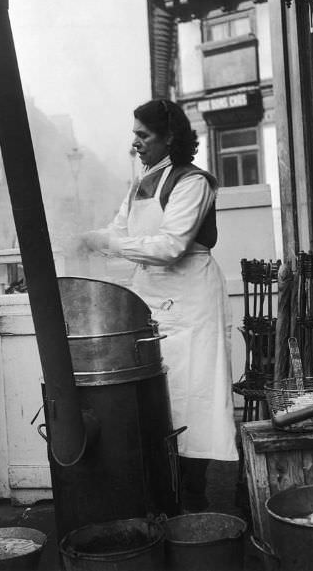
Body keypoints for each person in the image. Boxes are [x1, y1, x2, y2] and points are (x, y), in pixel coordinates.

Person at [80, 99, 238, 511]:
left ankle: (194, 497)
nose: (135, 143)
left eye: (143, 135)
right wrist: (83, 237)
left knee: (195, 397)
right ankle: (163, 493)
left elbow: (170, 246)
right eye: (134, 135)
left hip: (191, 300)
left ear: (170, 137)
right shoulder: (140, 186)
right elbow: (117, 233)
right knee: (158, 395)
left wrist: (109, 243)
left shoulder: (193, 182)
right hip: (151, 299)